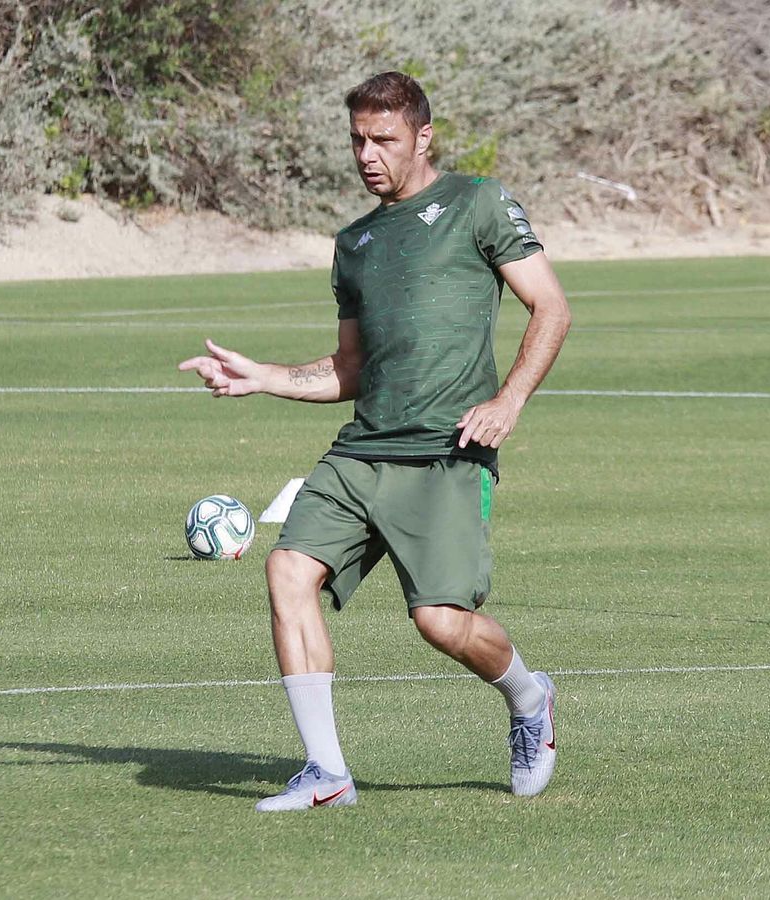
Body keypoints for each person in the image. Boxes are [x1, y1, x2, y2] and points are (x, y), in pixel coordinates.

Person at [178, 71, 572, 811]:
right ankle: (326, 774)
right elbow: (350, 370)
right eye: (356, 139)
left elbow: (550, 308)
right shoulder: (353, 243)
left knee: (440, 623)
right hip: (362, 452)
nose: (366, 154)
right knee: (288, 572)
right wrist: (263, 375)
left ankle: (529, 698)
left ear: (423, 137)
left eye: (382, 139)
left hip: (448, 451)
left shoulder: (476, 203)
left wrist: (509, 399)